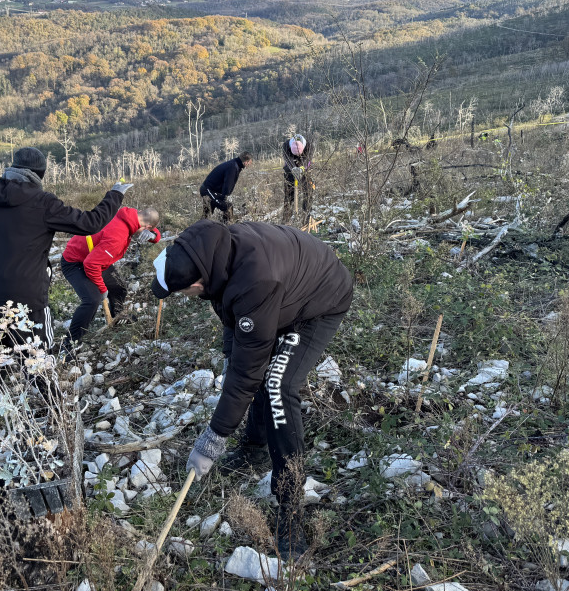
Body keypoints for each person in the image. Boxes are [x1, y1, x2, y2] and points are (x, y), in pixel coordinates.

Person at [151, 219, 353, 560]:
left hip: (320, 301)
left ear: (197, 283)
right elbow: (234, 318)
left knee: (278, 384)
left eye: (182, 292)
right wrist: (233, 356)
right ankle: (254, 445)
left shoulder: (256, 280)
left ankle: (291, 511)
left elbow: (247, 374)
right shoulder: (211, 252)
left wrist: (213, 438)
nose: (183, 298)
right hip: (285, 292)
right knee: (253, 366)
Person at [0, 147, 133, 401]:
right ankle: (55, 407)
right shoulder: (43, 203)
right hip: (28, 297)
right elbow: (90, 223)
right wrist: (115, 195)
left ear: (13, 167)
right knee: (37, 353)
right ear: (39, 174)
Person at [60, 206, 161, 352]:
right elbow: (91, 264)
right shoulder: (117, 237)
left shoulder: (129, 214)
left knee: (119, 287)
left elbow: (150, 223)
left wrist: (154, 235)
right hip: (75, 262)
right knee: (92, 300)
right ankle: (70, 345)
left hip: (96, 257)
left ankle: (117, 315)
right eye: (147, 230)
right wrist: (102, 289)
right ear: (145, 226)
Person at [199, 151, 252, 222]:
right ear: (246, 162)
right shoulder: (233, 167)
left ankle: (208, 227)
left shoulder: (235, 164)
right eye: (250, 162)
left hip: (211, 190)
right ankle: (226, 228)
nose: (250, 164)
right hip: (208, 190)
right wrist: (224, 198)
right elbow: (228, 185)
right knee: (227, 207)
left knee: (207, 214)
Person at [281, 134, 313, 223]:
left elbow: (308, 158)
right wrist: (293, 168)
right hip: (290, 168)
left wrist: (302, 168)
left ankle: (306, 217)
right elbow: (288, 159)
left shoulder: (309, 146)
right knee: (289, 194)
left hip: (305, 168)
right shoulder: (286, 145)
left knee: (308, 191)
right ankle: (286, 218)